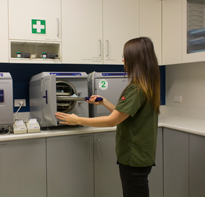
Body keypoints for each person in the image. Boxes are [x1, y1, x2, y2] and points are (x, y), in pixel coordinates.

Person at [55, 37, 160, 197]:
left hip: (134, 158)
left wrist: (78, 120)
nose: (123, 59)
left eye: (126, 56)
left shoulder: (136, 89)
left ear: (136, 59)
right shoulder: (148, 86)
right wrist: (104, 102)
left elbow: (113, 121)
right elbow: (125, 114)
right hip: (142, 156)